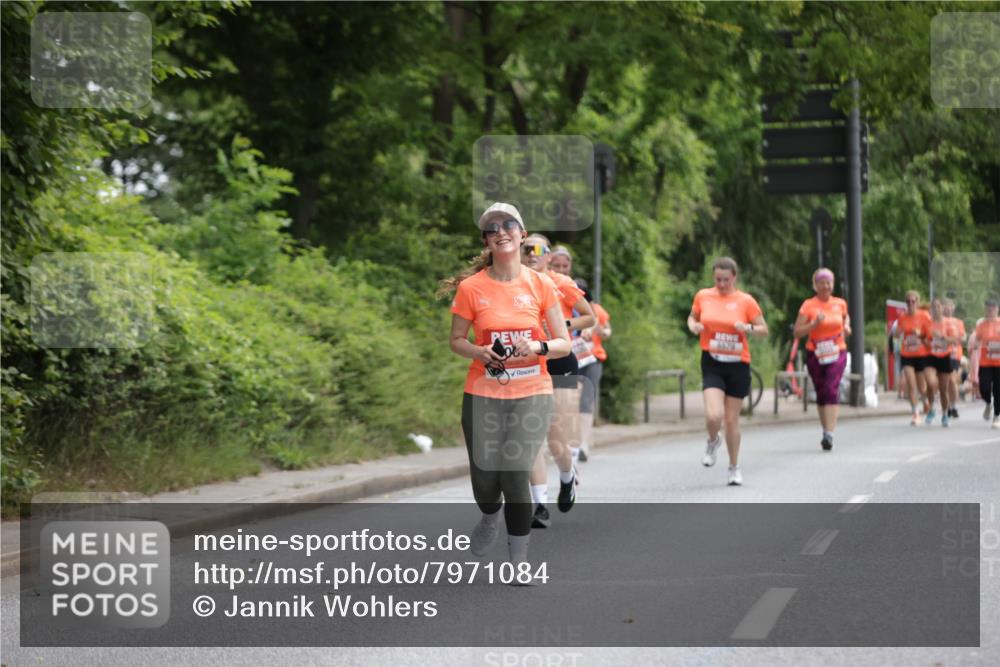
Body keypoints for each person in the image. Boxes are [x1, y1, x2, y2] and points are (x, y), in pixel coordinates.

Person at [441, 202, 572, 566]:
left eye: (508, 225)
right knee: (485, 485)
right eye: (492, 228)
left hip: (532, 390)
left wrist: (539, 346)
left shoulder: (541, 284)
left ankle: (519, 559)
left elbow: (563, 343)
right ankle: (489, 515)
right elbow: (456, 340)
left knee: (515, 474)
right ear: (486, 240)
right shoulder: (471, 288)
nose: (501, 231)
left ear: (522, 234)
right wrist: (478, 351)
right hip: (483, 391)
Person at [521, 234, 595, 527]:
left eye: (538, 249)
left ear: (549, 256)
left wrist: (563, 324)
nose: (532, 254)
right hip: (529, 364)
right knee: (532, 435)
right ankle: (539, 504)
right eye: (526, 248)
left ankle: (567, 476)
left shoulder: (560, 283)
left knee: (556, 436)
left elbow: (589, 317)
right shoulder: (513, 283)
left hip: (560, 360)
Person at [687, 257, 769, 486]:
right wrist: (694, 326)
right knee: (714, 415)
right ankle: (713, 440)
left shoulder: (746, 301)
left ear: (734, 277)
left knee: (731, 420)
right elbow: (692, 317)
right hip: (712, 361)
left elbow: (764, 329)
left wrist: (748, 328)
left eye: (726, 280)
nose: (722, 284)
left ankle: (734, 467)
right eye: (718, 279)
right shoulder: (703, 296)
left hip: (738, 364)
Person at [792, 268, 851, 450]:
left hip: (837, 350)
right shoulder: (808, 305)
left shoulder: (840, 303)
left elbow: (845, 318)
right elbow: (797, 332)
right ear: (815, 285)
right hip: (815, 353)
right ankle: (826, 430)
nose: (826, 286)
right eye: (822, 283)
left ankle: (830, 434)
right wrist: (814, 324)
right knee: (821, 392)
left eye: (828, 282)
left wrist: (847, 327)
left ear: (833, 284)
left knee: (831, 388)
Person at [574, 277, 610, 462]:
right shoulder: (565, 309)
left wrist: (600, 332)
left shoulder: (596, 310)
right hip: (572, 360)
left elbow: (607, 331)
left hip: (592, 358)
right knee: (571, 401)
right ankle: (574, 441)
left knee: (586, 401)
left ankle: (584, 444)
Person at [891, 290, 934, 426]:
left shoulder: (924, 315)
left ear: (917, 302)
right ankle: (916, 413)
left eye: (913, 301)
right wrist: (897, 332)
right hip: (907, 354)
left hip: (921, 354)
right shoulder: (902, 318)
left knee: (922, 387)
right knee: (911, 383)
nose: (910, 304)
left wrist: (920, 333)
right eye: (908, 301)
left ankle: (925, 401)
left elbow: (931, 334)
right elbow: (896, 335)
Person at [969, 295, 1000, 429]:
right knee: (984, 388)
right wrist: (976, 344)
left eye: (993, 308)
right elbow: (977, 339)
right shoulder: (981, 325)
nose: (990, 310)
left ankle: (997, 416)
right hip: (986, 362)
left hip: (999, 363)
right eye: (988, 308)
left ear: (997, 309)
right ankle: (988, 403)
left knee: (998, 390)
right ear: (985, 310)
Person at [927, 298, 959, 427]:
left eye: (938, 306)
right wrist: (927, 340)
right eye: (933, 306)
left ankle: (945, 414)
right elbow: (924, 338)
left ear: (942, 308)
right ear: (931, 309)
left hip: (945, 356)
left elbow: (955, 340)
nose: (936, 309)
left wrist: (941, 337)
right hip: (930, 356)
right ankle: (931, 408)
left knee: (943, 388)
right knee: (930, 383)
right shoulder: (928, 323)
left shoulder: (948, 323)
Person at [943, 298, 967, 418]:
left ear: (953, 308)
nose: (948, 308)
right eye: (945, 306)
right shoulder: (939, 321)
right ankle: (948, 406)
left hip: (954, 354)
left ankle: (953, 406)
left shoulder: (958, 322)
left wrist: (957, 338)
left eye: (950, 306)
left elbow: (963, 338)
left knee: (952, 380)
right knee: (945, 382)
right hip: (942, 354)